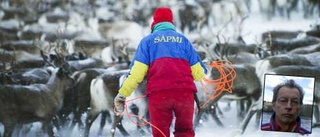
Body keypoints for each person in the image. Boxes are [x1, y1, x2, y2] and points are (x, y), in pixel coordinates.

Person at [114, 7, 207, 137]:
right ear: (171, 22)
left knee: (160, 133)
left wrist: (122, 95)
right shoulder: (184, 40)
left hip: (159, 95)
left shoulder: (147, 42)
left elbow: (136, 74)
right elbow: (199, 74)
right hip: (184, 95)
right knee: (185, 132)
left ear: (155, 23)